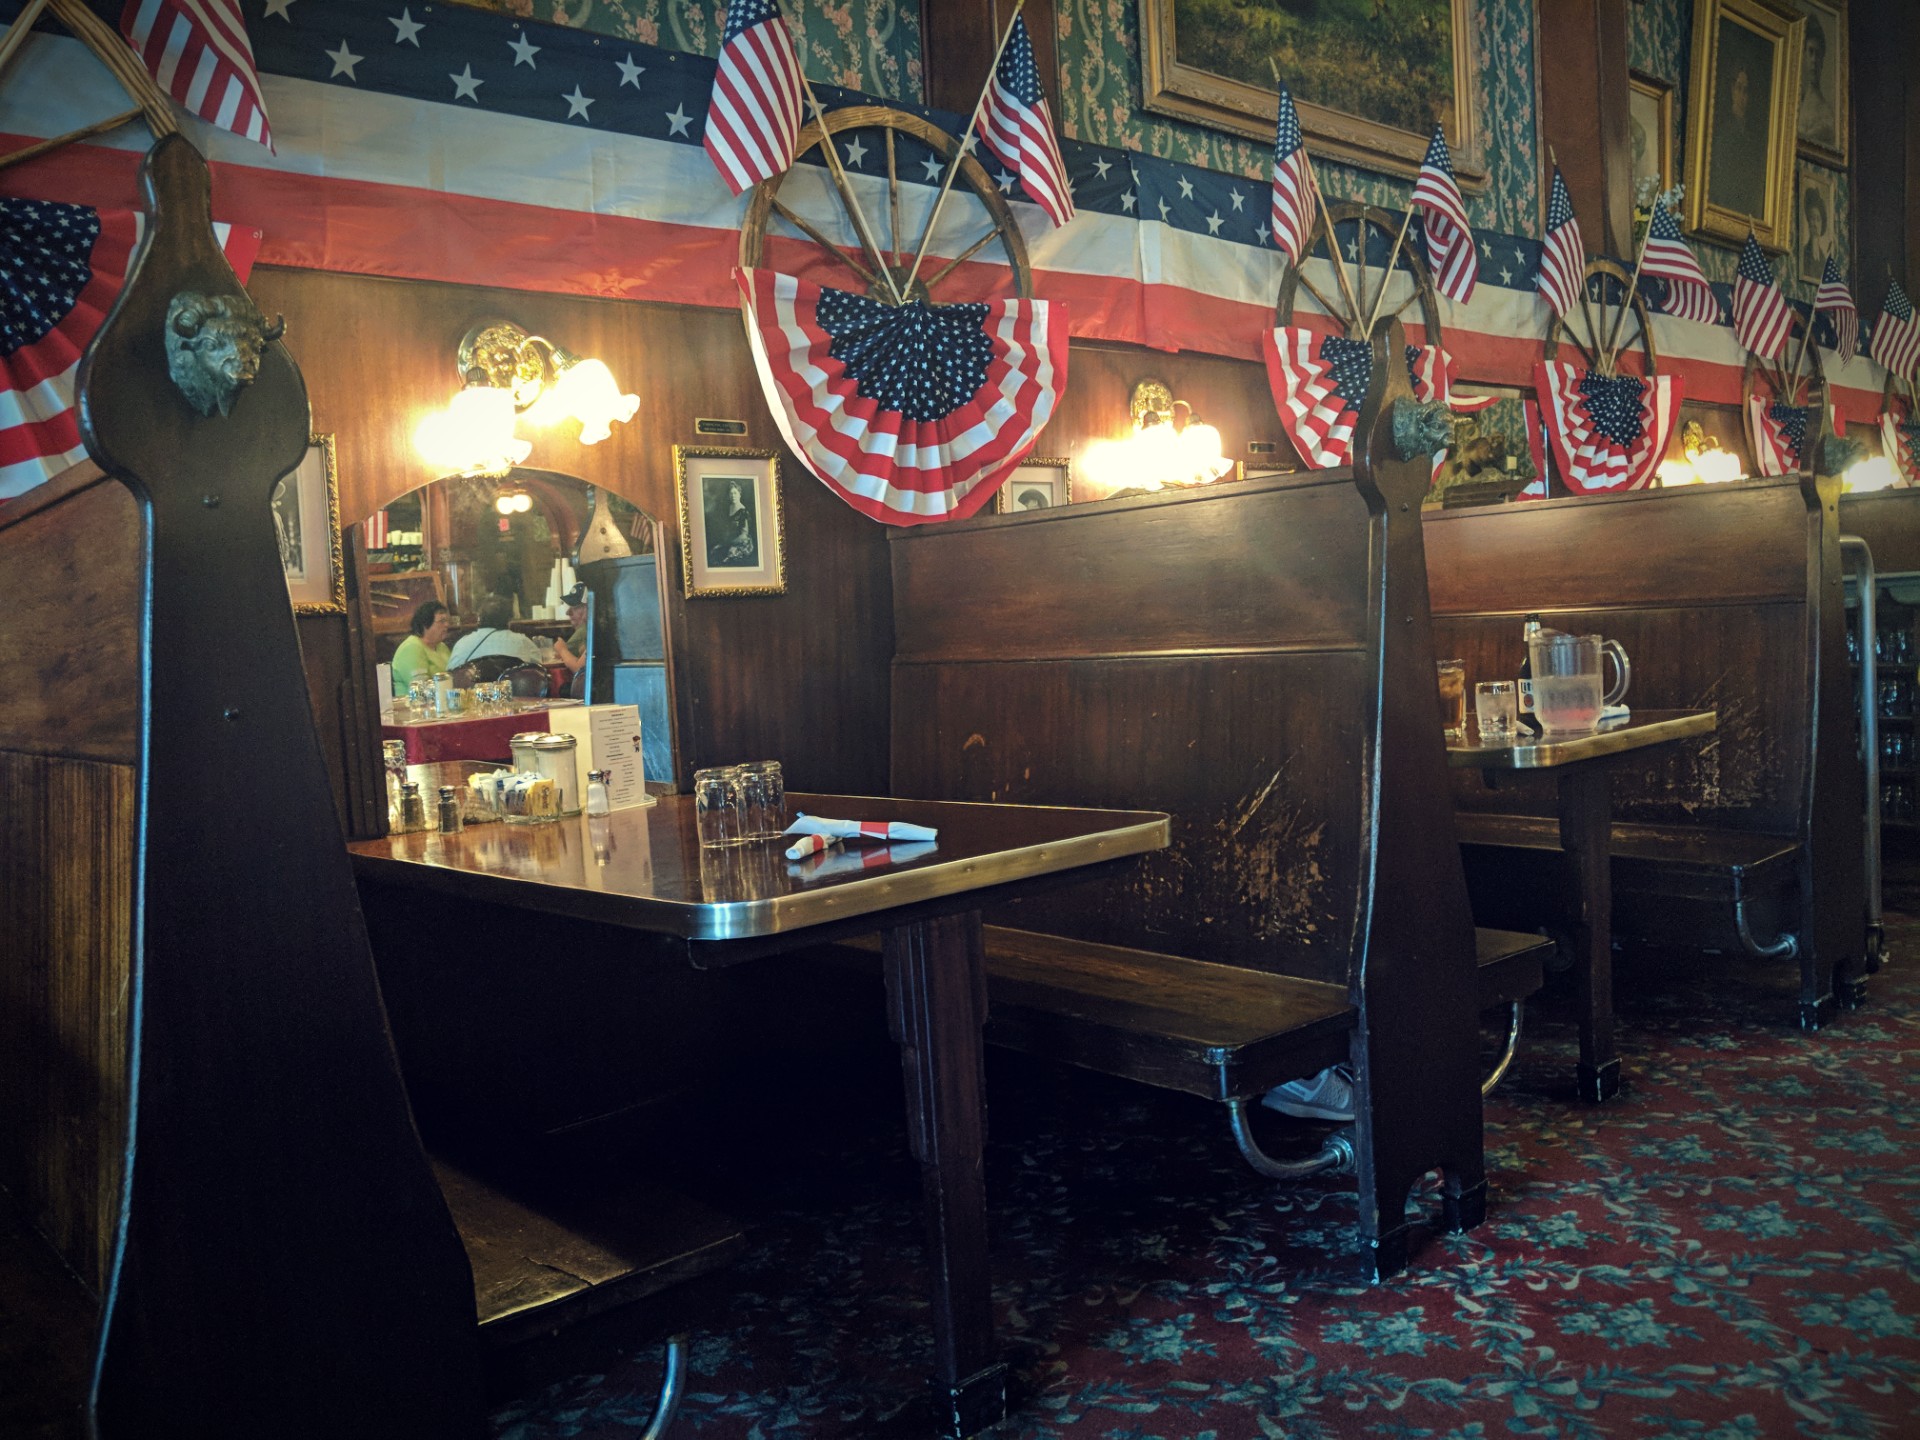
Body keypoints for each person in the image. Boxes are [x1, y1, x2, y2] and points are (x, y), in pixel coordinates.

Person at [446, 594, 542, 670]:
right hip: (513, 689)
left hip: (475, 689)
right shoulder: (523, 642)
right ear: (509, 620)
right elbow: (539, 670)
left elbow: (452, 673)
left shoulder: (463, 644)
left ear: (479, 618)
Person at [390, 599, 451, 696]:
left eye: (447, 621)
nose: (447, 625)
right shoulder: (411, 648)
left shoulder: (441, 647)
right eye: (442, 621)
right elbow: (422, 689)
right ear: (425, 624)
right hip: (415, 704)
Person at [552, 583, 590, 675]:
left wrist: (562, 649)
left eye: (577, 607)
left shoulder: (590, 630)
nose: (568, 612)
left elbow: (578, 669)